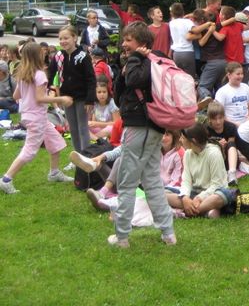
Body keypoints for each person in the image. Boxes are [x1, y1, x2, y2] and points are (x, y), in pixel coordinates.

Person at [109, 21, 176, 248]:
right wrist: (124, 70)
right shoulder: (143, 62)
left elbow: (135, 80)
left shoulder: (148, 61)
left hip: (140, 128)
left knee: (127, 183)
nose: (124, 44)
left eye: (129, 40)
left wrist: (135, 58)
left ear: (142, 43)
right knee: (152, 181)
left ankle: (122, 237)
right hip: (153, 129)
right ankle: (168, 233)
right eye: (124, 39)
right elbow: (119, 96)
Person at [0, 43, 74, 194]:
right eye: (41, 52)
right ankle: (6, 179)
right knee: (29, 150)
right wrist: (61, 99)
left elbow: (16, 96)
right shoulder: (39, 74)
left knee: (56, 142)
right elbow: (40, 98)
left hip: (31, 116)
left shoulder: (23, 74)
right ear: (37, 55)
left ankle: (54, 173)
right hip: (37, 118)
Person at [166, 123, 233, 219]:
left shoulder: (213, 153)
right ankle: (205, 210)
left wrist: (199, 198)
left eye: (183, 138)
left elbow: (217, 185)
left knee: (222, 196)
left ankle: (188, 211)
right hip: (194, 193)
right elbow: (186, 180)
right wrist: (185, 197)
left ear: (193, 141)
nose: (180, 140)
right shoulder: (187, 154)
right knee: (162, 193)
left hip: (212, 193)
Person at [52, 25, 97, 154]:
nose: (63, 41)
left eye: (66, 38)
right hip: (67, 98)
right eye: (60, 39)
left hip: (82, 98)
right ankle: (77, 155)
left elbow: (91, 79)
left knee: (82, 127)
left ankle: (85, 156)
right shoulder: (58, 56)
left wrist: (90, 99)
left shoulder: (83, 56)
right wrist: (48, 86)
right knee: (72, 128)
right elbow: (51, 73)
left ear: (74, 38)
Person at [206, 101, 240, 186]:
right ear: (209, 119)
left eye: (220, 118)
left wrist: (224, 146)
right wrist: (217, 145)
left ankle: (232, 173)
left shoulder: (231, 127)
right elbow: (204, 148)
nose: (218, 122)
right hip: (213, 160)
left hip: (228, 158)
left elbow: (231, 144)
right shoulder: (205, 130)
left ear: (224, 117)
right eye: (214, 119)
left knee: (231, 144)